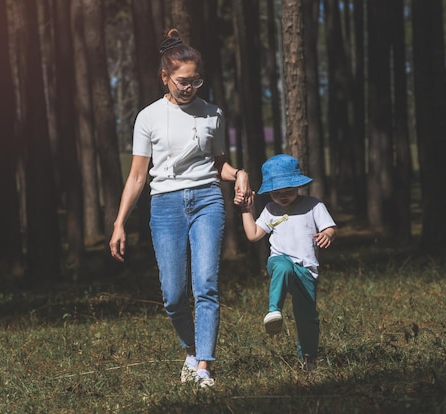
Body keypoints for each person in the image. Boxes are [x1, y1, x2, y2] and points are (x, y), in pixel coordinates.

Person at [109, 29, 252, 388]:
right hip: (166, 206)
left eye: (195, 81)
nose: (189, 88)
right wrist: (119, 223)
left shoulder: (212, 114)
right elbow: (138, 177)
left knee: (205, 285)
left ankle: (204, 366)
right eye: (182, 81)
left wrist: (239, 175)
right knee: (173, 296)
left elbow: (219, 163)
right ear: (165, 77)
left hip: (206, 199)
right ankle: (190, 349)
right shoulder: (148, 118)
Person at [236, 154, 335, 371]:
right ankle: (274, 311)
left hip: (306, 270)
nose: (282, 196)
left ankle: (309, 359)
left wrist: (328, 234)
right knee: (283, 266)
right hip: (279, 261)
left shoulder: (313, 205)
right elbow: (253, 235)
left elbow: (329, 227)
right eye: (276, 192)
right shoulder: (270, 210)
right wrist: (246, 210)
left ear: (298, 186)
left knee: (307, 316)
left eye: (288, 190)